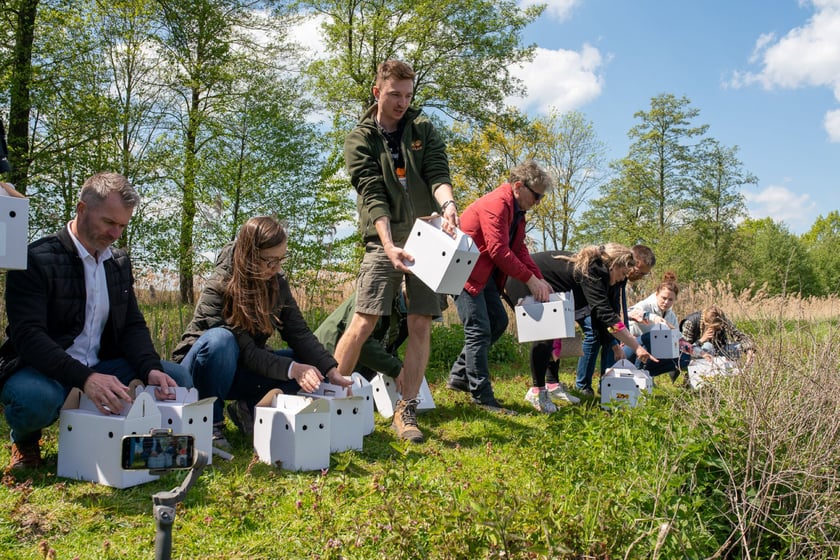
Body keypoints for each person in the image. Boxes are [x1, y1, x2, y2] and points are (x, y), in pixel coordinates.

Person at [0, 172, 191, 471]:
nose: (116, 234)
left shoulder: (118, 264)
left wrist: (150, 368)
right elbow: (28, 337)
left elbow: (131, 325)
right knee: (33, 399)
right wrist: (85, 379)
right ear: (82, 209)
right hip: (43, 370)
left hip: (101, 366)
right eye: (109, 222)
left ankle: (146, 442)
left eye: (122, 226)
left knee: (177, 379)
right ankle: (24, 439)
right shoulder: (35, 259)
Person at [334, 59, 458, 443]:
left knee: (421, 321)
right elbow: (372, 195)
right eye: (394, 95)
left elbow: (438, 173)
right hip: (381, 238)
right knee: (365, 319)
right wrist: (388, 245)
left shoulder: (422, 127)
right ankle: (330, 401)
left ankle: (406, 410)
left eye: (408, 94)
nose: (402, 102)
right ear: (377, 92)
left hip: (426, 235)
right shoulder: (360, 138)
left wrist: (449, 205)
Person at [172, 216, 349, 448]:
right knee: (222, 341)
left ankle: (248, 408)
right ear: (249, 255)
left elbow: (299, 332)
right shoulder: (219, 286)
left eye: (281, 259)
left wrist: (330, 369)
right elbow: (245, 351)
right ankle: (209, 423)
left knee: (313, 369)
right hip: (200, 372)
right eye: (269, 261)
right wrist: (293, 370)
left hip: (240, 368)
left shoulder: (277, 283)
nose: (276, 268)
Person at [445, 160, 553, 414]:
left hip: (485, 276)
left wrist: (539, 278)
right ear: (518, 186)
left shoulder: (517, 212)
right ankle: (482, 397)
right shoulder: (497, 204)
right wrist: (529, 280)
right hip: (464, 272)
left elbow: (519, 250)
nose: (538, 202)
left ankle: (460, 376)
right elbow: (498, 251)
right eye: (536, 195)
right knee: (479, 330)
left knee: (498, 322)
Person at [505, 245, 657, 413]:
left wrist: (614, 345)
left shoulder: (608, 277)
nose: (623, 279)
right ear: (614, 265)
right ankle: (537, 392)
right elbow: (604, 314)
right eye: (622, 274)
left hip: (549, 285)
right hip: (524, 279)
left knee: (556, 332)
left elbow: (603, 315)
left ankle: (552, 385)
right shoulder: (594, 271)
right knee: (545, 334)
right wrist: (636, 346)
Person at [571, 244, 656, 396]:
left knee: (613, 337)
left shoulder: (620, 277)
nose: (640, 277)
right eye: (639, 272)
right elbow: (603, 311)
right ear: (631, 263)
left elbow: (614, 309)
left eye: (645, 275)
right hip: (584, 304)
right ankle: (582, 385)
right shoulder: (606, 270)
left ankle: (607, 384)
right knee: (593, 334)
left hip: (599, 309)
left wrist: (616, 339)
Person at [314, 290, 408, 382]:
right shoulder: (377, 294)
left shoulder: (407, 313)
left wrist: (399, 367)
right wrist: (395, 369)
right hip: (325, 359)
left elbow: (386, 344)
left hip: (352, 369)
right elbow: (361, 342)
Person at [624, 271, 691, 380]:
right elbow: (627, 313)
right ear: (656, 294)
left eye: (670, 300)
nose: (666, 302)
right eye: (663, 298)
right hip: (631, 348)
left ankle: (647, 375)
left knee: (685, 358)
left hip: (652, 352)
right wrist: (652, 317)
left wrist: (692, 348)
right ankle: (638, 375)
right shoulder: (646, 305)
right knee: (652, 336)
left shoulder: (671, 315)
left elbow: (677, 337)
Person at [680, 305, 754, 363]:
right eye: (714, 327)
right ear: (706, 323)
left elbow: (740, 336)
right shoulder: (690, 322)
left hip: (719, 350)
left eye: (718, 327)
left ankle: (729, 373)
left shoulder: (722, 320)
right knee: (708, 346)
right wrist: (701, 340)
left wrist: (749, 350)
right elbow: (685, 348)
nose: (716, 330)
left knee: (738, 347)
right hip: (698, 355)